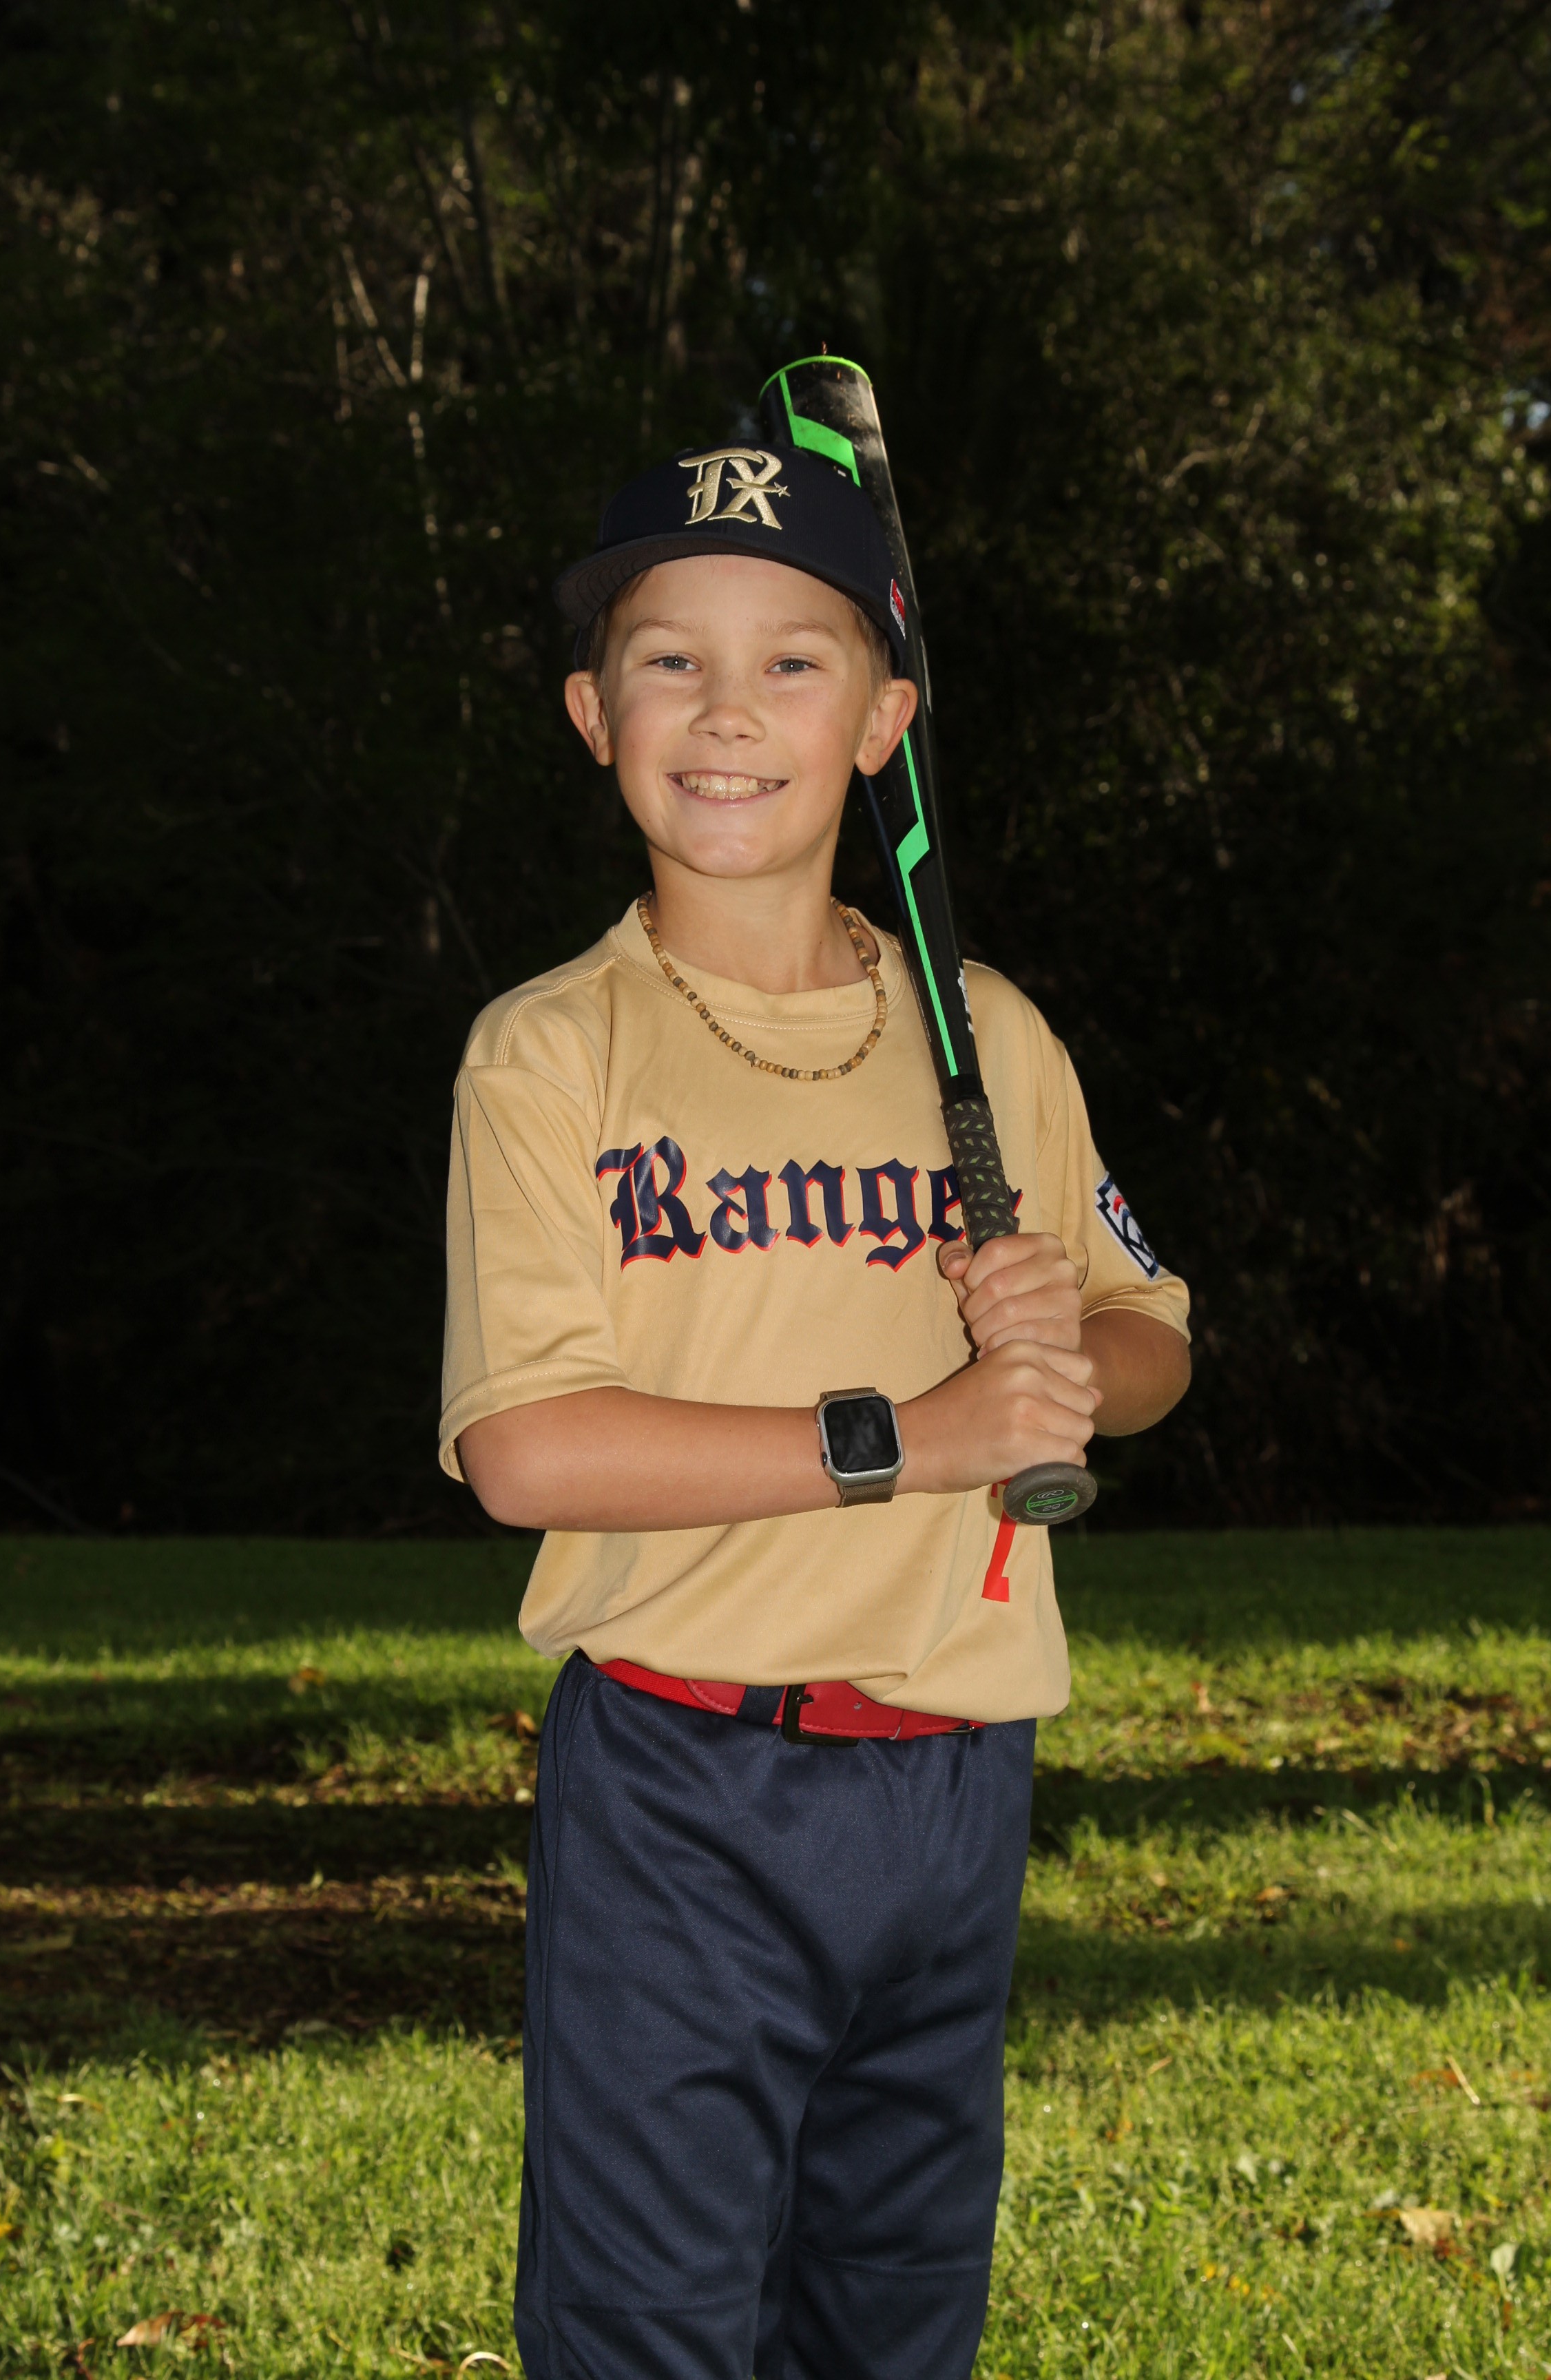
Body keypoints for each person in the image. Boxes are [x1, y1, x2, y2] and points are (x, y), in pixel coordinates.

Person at [439, 439, 1191, 2380]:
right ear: (595, 716)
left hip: (957, 1782)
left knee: (896, 2318)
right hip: (687, 1783)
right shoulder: (551, 1052)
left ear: (882, 723)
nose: (727, 712)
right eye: (669, 662)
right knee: (655, 2326)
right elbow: (529, 1447)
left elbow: (1150, 1338)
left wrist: (1064, 1359)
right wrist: (923, 1435)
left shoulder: (985, 1034)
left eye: (792, 662)